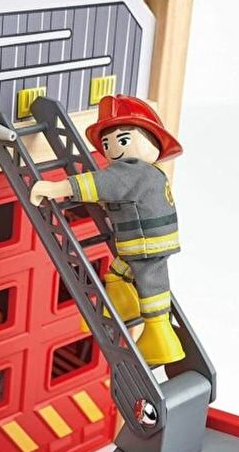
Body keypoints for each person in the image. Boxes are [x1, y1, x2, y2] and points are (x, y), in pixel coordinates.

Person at [29, 94, 185, 366]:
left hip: (143, 245)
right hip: (148, 243)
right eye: (106, 144)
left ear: (152, 142)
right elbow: (121, 196)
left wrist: (55, 188)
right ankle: (123, 304)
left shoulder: (130, 172)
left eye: (122, 140)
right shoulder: (152, 173)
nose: (113, 149)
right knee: (118, 272)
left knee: (152, 285)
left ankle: (160, 337)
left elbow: (101, 183)